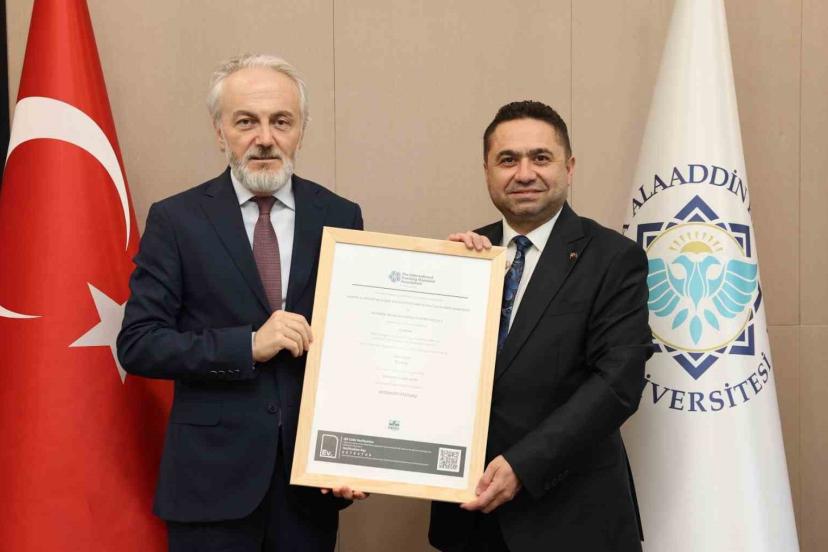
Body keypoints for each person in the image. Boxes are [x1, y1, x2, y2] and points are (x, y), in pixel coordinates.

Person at [117, 54, 365, 552]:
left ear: (301, 130)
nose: (265, 138)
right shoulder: (177, 220)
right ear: (220, 131)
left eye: (281, 121)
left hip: (309, 489)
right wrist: (247, 346)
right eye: (246, 121)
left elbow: (358, 345)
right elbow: (139, 343)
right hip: (209, 485)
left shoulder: (341, 215)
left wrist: (462, 264)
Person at [429, 101, 652, 552]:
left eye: (541, 157)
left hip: (572, 520)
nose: (524, 173)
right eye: (508, 160)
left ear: (568, 168)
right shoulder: (465, 258)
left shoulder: (613, 258)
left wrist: (523, 465)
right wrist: (444, 284)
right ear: (487, 171)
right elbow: (426, 371)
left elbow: (618, 383)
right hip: (470, 521)